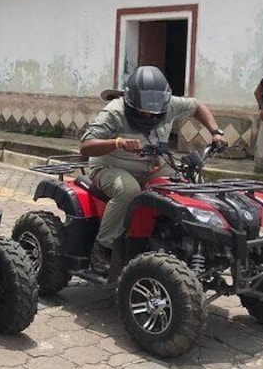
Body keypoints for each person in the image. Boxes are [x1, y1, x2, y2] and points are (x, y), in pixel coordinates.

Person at [80, 66, 226, 274]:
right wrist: (118, 142)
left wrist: (216, 132)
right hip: (110, 165)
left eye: (155, 105)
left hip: (152, 165)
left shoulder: (170, 105)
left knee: (182, 188)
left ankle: (182, 240)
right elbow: (86, 145)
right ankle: (103, 247)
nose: (150, 111)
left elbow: (196, 106)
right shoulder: (115, 111)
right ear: (131, 100)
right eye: (144, 106)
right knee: (128, 190)